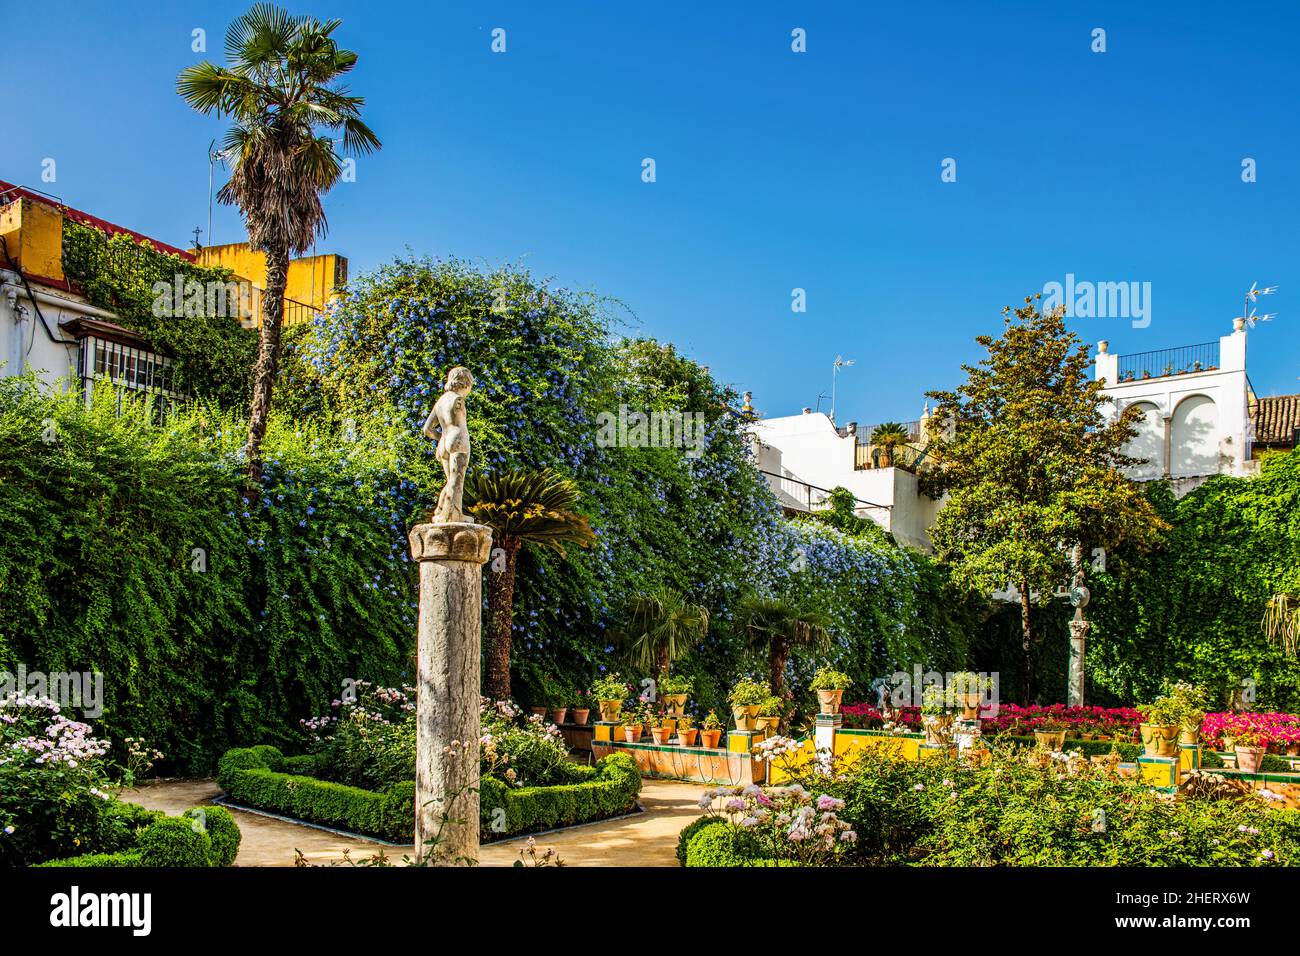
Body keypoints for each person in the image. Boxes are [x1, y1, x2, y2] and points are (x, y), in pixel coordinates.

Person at [423, 366, 473, 523]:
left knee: (450, 479)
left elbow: (427, 429)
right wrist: (453, 436)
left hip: (444, 442)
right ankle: (454, 514)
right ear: (465, 384)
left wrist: (442, 437)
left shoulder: (441, 401)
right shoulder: (458, 400)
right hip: (458, 439)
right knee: (457, 479)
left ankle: (440, 511)